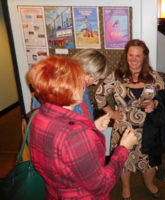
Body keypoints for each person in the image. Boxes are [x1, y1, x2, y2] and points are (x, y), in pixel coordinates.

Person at [27, 56, 138, 199]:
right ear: (68, 89)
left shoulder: (38, 115)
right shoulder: (75, 135)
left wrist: (93, 128)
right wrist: (123, 148)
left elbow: (61, 154)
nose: (85, 84)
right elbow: (102, 184)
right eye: (79, 80)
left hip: (54, 193)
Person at [95, 39, 165, 200]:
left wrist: (155, 103)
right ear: (126, 56)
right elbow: (99, 95)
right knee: (124, 161)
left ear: (144, 57)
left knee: (149, 161)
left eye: (138, 56)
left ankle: (149, 183)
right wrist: (111, 113)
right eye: (130, 55)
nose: (134, 59)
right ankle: (126, 187)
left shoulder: (153, 77)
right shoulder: (116, 76)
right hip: (124, 129)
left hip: (149, 129)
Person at [32, 49, 107, 122]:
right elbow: (53, 130)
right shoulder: (53, 90)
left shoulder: (83, 90)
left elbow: (85, 120)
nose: (96, 83)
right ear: (86, 73)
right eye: (95, 79)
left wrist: (95, 127)